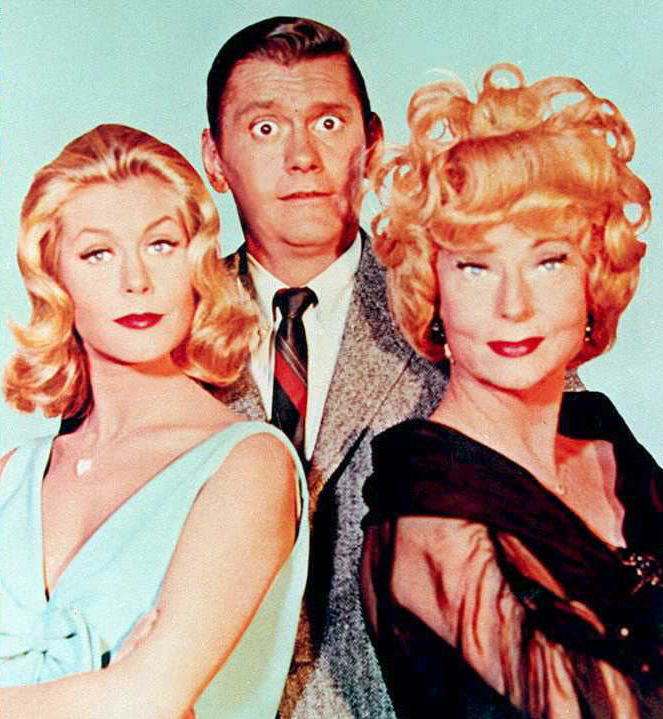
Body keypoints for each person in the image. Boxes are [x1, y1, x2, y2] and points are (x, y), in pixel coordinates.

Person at [361, 63, 661, 717]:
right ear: (432, 291)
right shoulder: (433, 515)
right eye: (475, 266)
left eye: (548, 260)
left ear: (593, 274)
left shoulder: (611, 452)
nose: (514, 305)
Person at [0, 123, 308, 719]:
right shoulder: (13, 476)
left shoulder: (248, 463)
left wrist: (127, 692)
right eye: (97, 254)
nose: (135, 281)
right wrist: (105, 693)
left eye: (161, 245)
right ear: (55, 278)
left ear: (197, 263)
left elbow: (148, 698)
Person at [200, 16, 450, 718]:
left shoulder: (458, 310)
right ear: (214, 159)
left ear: (372, 145)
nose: (302, 157)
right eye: (265, 129)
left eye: (328, 123)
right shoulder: (157, 333)